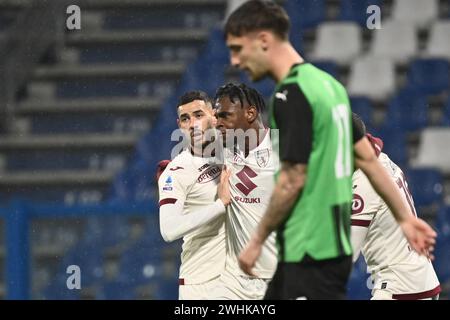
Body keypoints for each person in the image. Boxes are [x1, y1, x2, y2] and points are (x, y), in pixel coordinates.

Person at [224, 0, 436, 299]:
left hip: (344, 268)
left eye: (237, 49)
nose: (235, 61)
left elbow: (293, 179)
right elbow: (367, 158)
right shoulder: (328, 86)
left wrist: (257, 240)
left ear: (263, 40)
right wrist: (406, 218)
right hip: (351, 267)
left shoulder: (290, 95)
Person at [351, 114, 440, 300]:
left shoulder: (363, 184)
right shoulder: (383, 160)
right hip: (421, 279)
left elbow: (346, 255)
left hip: (400, 286)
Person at [157, 90, 231, 300]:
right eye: (185, 119)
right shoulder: (176, 171)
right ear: (179, 125)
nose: (192, 124)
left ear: (213, 115)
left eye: (199, 115)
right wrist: (220, 205)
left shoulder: (233, 151)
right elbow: (169, 230)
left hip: (239, 279)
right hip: (202, 285)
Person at [213, 82, 277, 299]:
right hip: (235, 282)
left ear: (250, 113)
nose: (218, 124)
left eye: (225, 116)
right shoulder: (221, 150)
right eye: (216, 117)